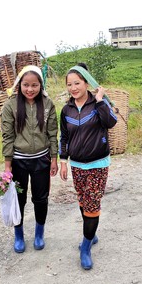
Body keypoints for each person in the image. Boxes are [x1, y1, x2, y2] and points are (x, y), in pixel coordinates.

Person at [59, 63, 117, 270]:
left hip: (98, 163)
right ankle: (91, 235)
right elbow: (64, 137)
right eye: (69, 84)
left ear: (86, 83)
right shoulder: (67, 109)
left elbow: (111, 122)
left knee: (92, 204)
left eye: (77, 83)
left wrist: (101, 101)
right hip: (77, 164)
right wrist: (63, 160)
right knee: (83, 201)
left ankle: (85, 247)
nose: (73, 87)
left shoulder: (98, 104)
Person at [1, 65, 58, 253]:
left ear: (40, 85)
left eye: (35, 85)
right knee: (19, 198)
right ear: (19, 85)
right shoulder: (10, 105)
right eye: (26, 85)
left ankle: (39, 234)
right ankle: (18, 235)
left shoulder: (48, 104)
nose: (30, 89)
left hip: (41, 159)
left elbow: (52, 133)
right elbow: (8, 137)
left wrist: (54, 159)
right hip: (19, 161)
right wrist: (7, 166)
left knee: (41, 199)